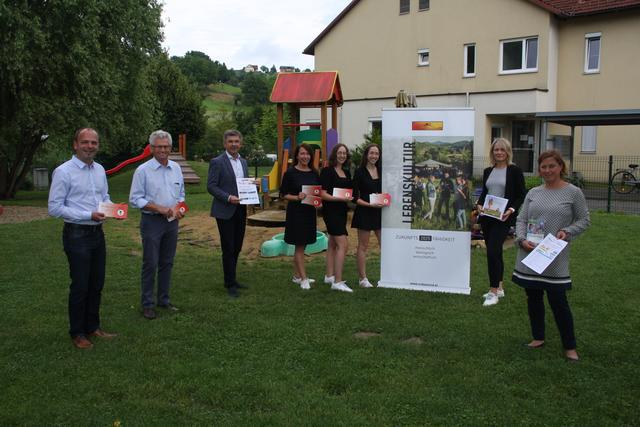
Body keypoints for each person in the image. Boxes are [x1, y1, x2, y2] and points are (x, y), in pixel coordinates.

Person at [512, 150, 590, 361]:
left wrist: (568, 231)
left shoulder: (573, 193)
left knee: (559, 301)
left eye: (551, 166)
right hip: (530, 253)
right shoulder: (533, 193)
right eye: (543, 167)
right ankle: (538, 337)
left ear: (560, 167)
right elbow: (521, 219)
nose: (547, 170)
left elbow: (584, 220)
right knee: (533, 297)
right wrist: (521, 240)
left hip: (555, 258)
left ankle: (570, 347)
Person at [48, 127, 117, 349]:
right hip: (76, 235)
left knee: (96, 283)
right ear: (75, 144)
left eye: (93, 143)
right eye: (85, 142)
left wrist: (111, 209)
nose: (90, 146)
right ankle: (77, 332)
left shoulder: (99, 170)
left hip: (97, 234)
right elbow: (55, 208)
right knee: (80, 285)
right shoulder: (64, 171)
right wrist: (88, 215)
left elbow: (103, 196)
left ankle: (92, 327)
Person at [130, 130, 185, 319]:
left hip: (172, 222)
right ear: (152, 148)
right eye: (159, 146)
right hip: (152, 221)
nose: (163, 150)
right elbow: (135, 199)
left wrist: (180, 209)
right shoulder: (143, 170)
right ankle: (147, 304)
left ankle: (163, 300)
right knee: (150, 263)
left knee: (167, 262)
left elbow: (181, 194)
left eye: (166, 146)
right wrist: (159, 209)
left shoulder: (176, 168)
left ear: (170, 148)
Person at [477, 138, 526, 307]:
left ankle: (492, 292)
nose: (499, 152)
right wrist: (478, 204)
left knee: (492, 252)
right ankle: (500, 287)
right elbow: (485, 192)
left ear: (507, 152)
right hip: (487, 217)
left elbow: (521, 194)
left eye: (502, 150)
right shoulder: (487, 171)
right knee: (496, 252)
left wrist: (511, 210)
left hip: (503, 217)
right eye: (496, 150)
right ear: (492, 152)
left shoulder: (514, 171)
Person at [207, 130, 250, 298]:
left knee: (238, 246)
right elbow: (211, 186)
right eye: (230, 141)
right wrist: (228, 197)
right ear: (225, 144)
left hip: (241, 209)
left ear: (241, 143)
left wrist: (252, 189)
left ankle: (232, 278)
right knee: (228, 247)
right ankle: (230, 283)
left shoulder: (244, 162)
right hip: (224, 210)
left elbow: (244, 184)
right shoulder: (217, 162)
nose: (234, 144)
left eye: (237, 141)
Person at [280, 143, 321, 290]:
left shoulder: (314, 173)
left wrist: (318, 202)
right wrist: (297, 197)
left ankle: (297, 276)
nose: (305, 156)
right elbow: (284, 194)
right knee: (299, 246)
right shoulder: (290, 173)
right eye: (302, 154)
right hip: (296, 213)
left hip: (309, 213)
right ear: (297, 155)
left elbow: (318, 192)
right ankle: (304, 279)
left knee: (303, 246)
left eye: (307, 154)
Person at [320, 143, 353, 293]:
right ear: (335, 154)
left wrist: (348, 197)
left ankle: (329, 276)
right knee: (343, 245)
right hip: (331, 211)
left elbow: (348, 192)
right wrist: (338, 198)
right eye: (339, 153)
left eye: (344, 153)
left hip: (342, 211)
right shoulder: (327, 171)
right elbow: (322, 193)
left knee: (333, 244)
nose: (342, 155)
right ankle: (338, 282)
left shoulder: (346, 172)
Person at [351, 143, 383, 288]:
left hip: (380, 213)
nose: (374, 156)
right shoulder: (359, 172)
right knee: (363, 246)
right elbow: (354, 197)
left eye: (376, 153)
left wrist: (383, 200)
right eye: (371, 153)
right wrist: (369, 204)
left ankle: (388, 276)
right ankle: (363, 279)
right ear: (366, 155)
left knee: (385, 245)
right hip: (364, 211)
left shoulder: (382, 170)